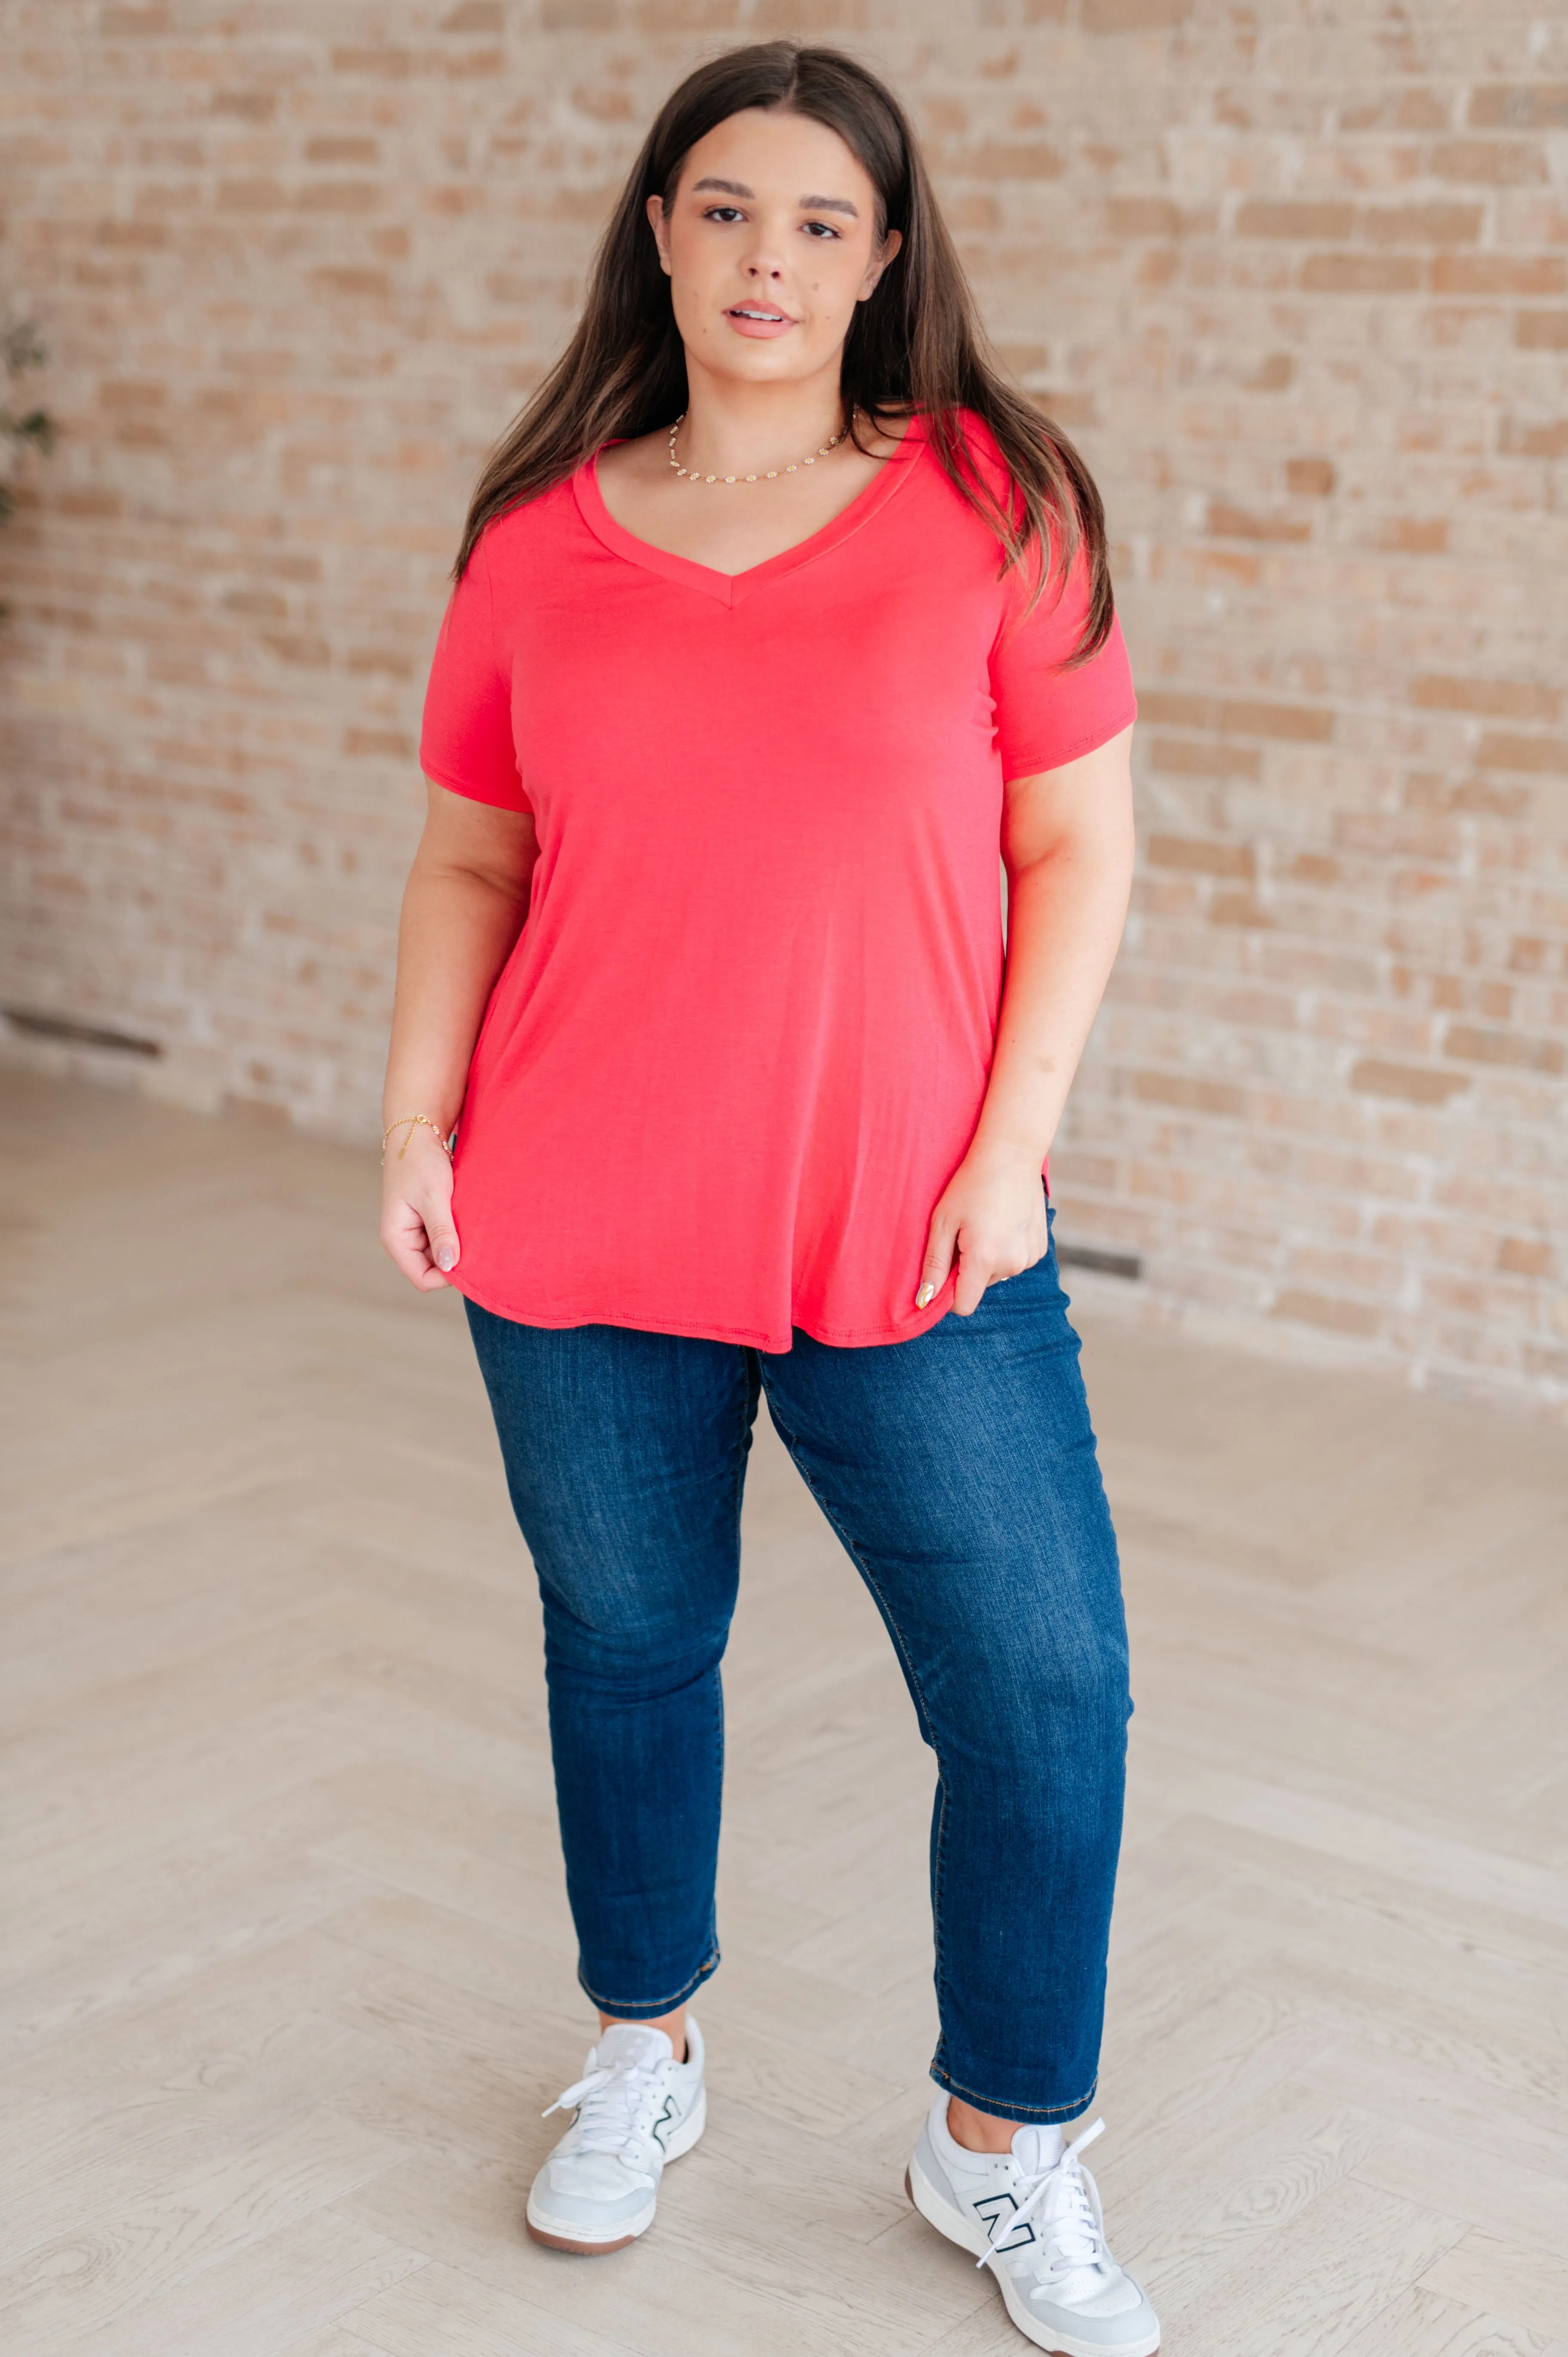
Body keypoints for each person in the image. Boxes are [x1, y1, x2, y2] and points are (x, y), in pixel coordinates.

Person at [380, 38, 1157, 2356]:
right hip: (580, 1211)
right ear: (658, 230)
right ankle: (646, 2044)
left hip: (913, 1229)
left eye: (822, 222)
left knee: (1042, 1687)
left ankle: (1000, 2141)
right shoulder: (539, 541)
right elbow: (467, 854)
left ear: (885, 259)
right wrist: (418, 1120)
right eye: (726, 209)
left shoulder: (994, 506)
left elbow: (1075, 844)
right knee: (627, 1649)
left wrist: (1011, 1146)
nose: (768, 257)